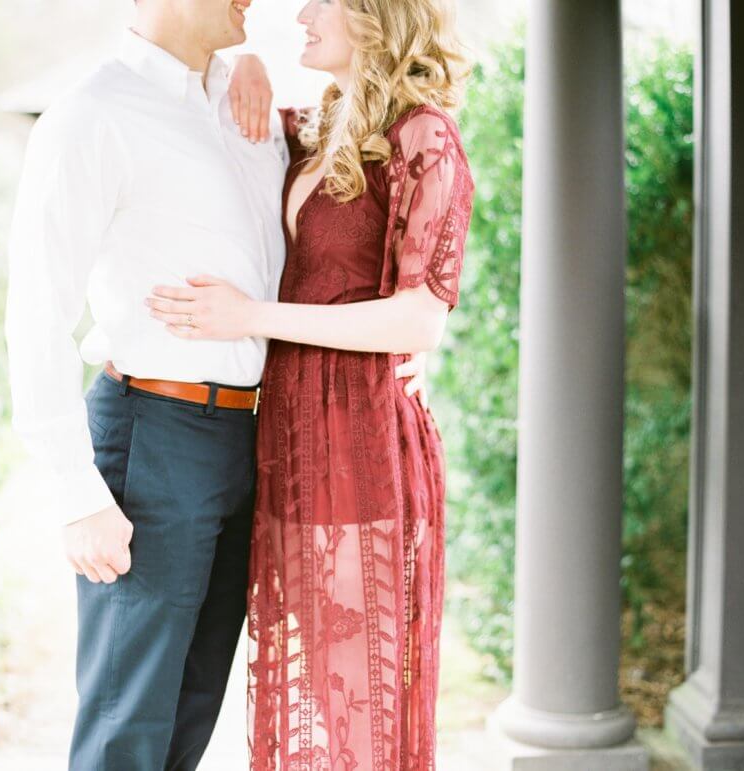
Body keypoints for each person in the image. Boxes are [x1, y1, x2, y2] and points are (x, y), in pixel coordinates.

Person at [3, 0, 425, 768]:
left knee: (192, 705)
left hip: (248, 438)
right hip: (153, 431)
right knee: (125, 720)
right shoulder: (92, 115)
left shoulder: (244, 103)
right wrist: (77, 493)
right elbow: (36, 313)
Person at [145, 0, 475, 767]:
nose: (299, 12)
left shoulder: (423, 136)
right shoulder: (319, 127)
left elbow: (420, 321)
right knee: (320, 699)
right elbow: (225, 101)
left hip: (363, 441)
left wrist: (250, 316)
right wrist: (249, 63)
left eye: (321, 0)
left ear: (377, 14)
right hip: (290, 438)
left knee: (359, 706)